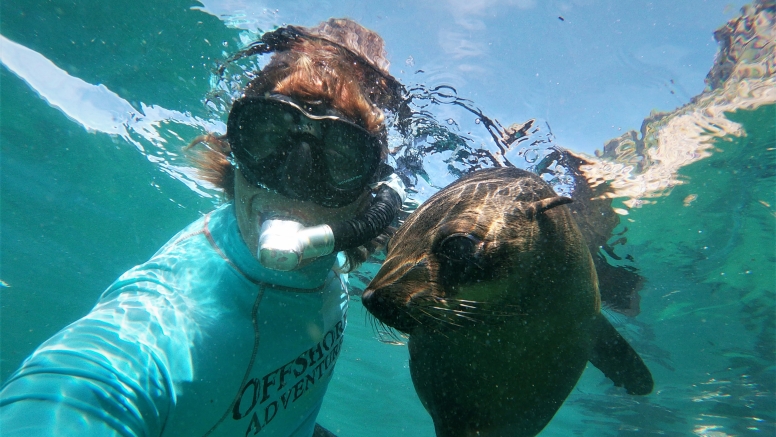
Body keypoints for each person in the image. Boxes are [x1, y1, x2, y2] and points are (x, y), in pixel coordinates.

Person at [0, 18, 406, 437]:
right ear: (233, 147)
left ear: (371, 190)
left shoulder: (338, 259)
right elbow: (83, 390)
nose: (294, 182)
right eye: (267, 135)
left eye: (341, 156)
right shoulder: (162, 322)